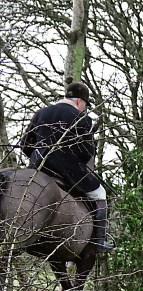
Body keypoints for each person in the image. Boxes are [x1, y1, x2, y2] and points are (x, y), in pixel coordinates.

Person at [20, 81, 115, 253]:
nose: (84, 109)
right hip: (67, 171)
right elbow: (86, 153)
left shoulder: (41, 113)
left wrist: (36, 159)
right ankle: (99, 242)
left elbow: (25, 144)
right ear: (80, 101)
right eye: (85, 105)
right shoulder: (81, 118)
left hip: (37, 167)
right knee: (100, 193)